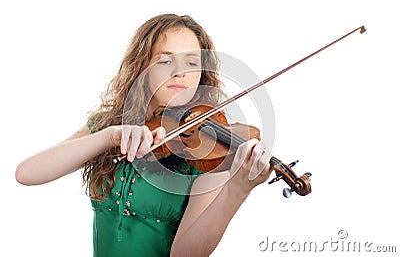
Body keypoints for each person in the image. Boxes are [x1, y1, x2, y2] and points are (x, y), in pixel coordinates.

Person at [15, 14, 272, 257]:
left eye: (191, 62)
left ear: (202, 73)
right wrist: (111, 136)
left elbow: (185, 253)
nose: (180, 72)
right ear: (142, 67)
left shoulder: (205, 152)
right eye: (165, 60)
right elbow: (27, 173)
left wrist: (236, 191)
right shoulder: (108, 124)